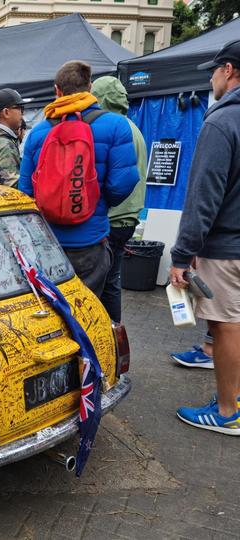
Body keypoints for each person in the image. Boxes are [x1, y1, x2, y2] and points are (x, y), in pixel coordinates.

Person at [18, 61, 139, 298]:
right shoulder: (116, 126)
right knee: (89, 310)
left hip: (48, 241)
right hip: (90, 240)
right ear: (90, 88)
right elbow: (123, 182)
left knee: (53, 308)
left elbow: (25, 189)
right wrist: (96, 202)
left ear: (57, 90)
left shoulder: (38, 133)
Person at [169, 39, 240, 434]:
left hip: (227, 246)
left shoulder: (222, 120)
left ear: (228, 70)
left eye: (214, 70)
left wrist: (183, 253)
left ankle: (228, 412)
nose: (211, 79)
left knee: (226, 324)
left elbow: (204, 194)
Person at [91, 76, 148, 322]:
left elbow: (112, 182)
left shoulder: (113, 129)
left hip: (112, 219)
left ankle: (107, 333)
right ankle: (115, 331)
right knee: (112, 278)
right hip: (128, 218)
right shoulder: (133, 127)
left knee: (101, 282)